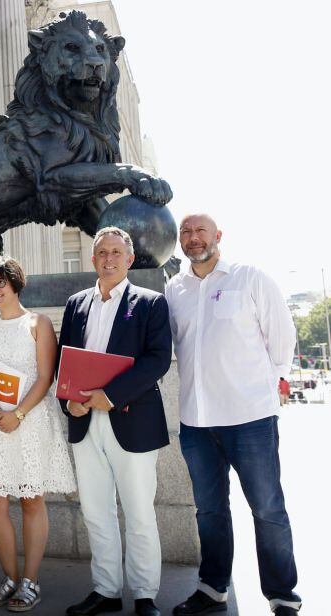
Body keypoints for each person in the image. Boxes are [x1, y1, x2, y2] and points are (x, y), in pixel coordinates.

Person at [166, 214, 301, 616]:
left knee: (267, 507)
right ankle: (212, 588)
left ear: (217, 237)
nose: (193, 238)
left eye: (200, 231)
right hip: (196, 421)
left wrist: (273, 383)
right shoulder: (175, 289)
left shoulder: (250, 277)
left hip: (250, 419)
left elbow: (282, 337)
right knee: (208, 510)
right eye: (186, 233)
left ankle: (282, 595)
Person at [57, 227, 172, 616]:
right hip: (85, 422)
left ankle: (144, 595)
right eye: (101, 252)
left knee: (139, 513)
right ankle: (105, 591)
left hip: (132, 421)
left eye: (115, 253)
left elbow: (157, 360)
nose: (108, 258)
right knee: (95, 512)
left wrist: (112, 395)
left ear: (129, 259)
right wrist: (68, 402)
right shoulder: (76, 304)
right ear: (93, 260)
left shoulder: (151, 303)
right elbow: (64, 361)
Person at [0, 256, 76, 612]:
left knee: (31, 500)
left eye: (1, 283)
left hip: (30, 422)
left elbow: (46, 377)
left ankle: (30, 581)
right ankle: (9, 578)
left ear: (16, 284)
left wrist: (18, 414)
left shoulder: (38, 323)